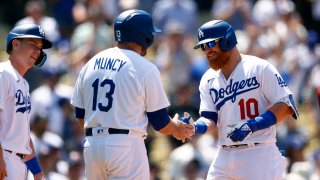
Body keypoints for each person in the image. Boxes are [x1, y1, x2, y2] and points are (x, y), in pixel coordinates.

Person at [70, 9, 193, 179]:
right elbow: (160, 122)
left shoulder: (91, 63)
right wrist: (178, 128)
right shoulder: (145, 67)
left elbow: (80, 113)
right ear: (144, 37)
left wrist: (100, 132)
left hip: (91, 146)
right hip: (125, 146)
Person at [182, 20, 299, 179]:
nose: (206, 50)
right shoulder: (208, 79)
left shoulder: (259, 67)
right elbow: (210, 119)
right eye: (203, 46)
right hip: (223, 153)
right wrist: (195, 127)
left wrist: (253, 125)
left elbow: (286, 106)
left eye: (210, 44)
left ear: (227, 40)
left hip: (258, 152)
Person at [0, 24, 52, 179]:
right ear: (15, 44)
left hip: (19, 163)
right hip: (5, 157)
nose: (37, 51)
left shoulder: (24, 84)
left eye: (40, 48)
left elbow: (23, 134)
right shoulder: (3, 74)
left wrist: (37, 171)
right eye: (32, 45)